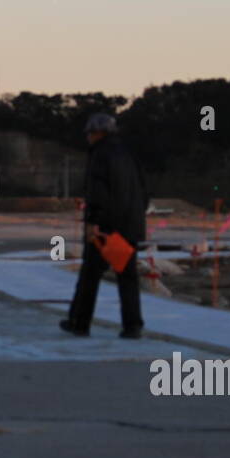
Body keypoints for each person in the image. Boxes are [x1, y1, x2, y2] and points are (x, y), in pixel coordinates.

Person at [61, 112, 149, 338]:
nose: (87, 137)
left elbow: (97, 192)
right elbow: (144, 192)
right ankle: (133, 326)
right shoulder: (130, 154)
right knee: (127, 278)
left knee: (89, 276)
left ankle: (79, 323)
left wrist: (93, 221)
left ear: (98, 133)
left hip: (105, 228)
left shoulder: (100, 154)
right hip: (130, 226)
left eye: (89, 133)